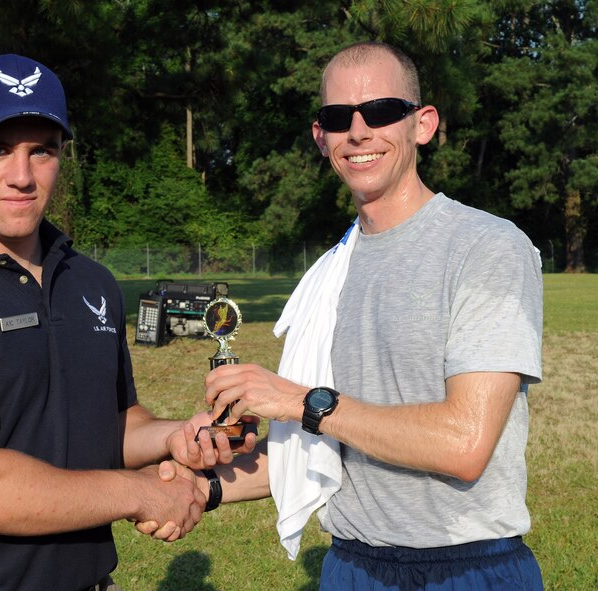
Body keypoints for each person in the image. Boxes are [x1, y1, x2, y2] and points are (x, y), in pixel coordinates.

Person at [0, 54, 253, 591]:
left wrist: (175, 436)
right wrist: (140, 492)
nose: (21, 176)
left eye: (40, 150)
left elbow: (110, 424)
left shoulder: (91, 283)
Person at [164, 41, 545, 590]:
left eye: (383, 110)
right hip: (350, 567)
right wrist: (208, 485)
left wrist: (299, 401)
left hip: (466, 565)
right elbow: (325, 448)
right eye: (339, 117)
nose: (359, 132)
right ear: (321, 137)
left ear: (423, 123)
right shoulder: (331, 270)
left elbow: (463, 444)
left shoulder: (485, 248)